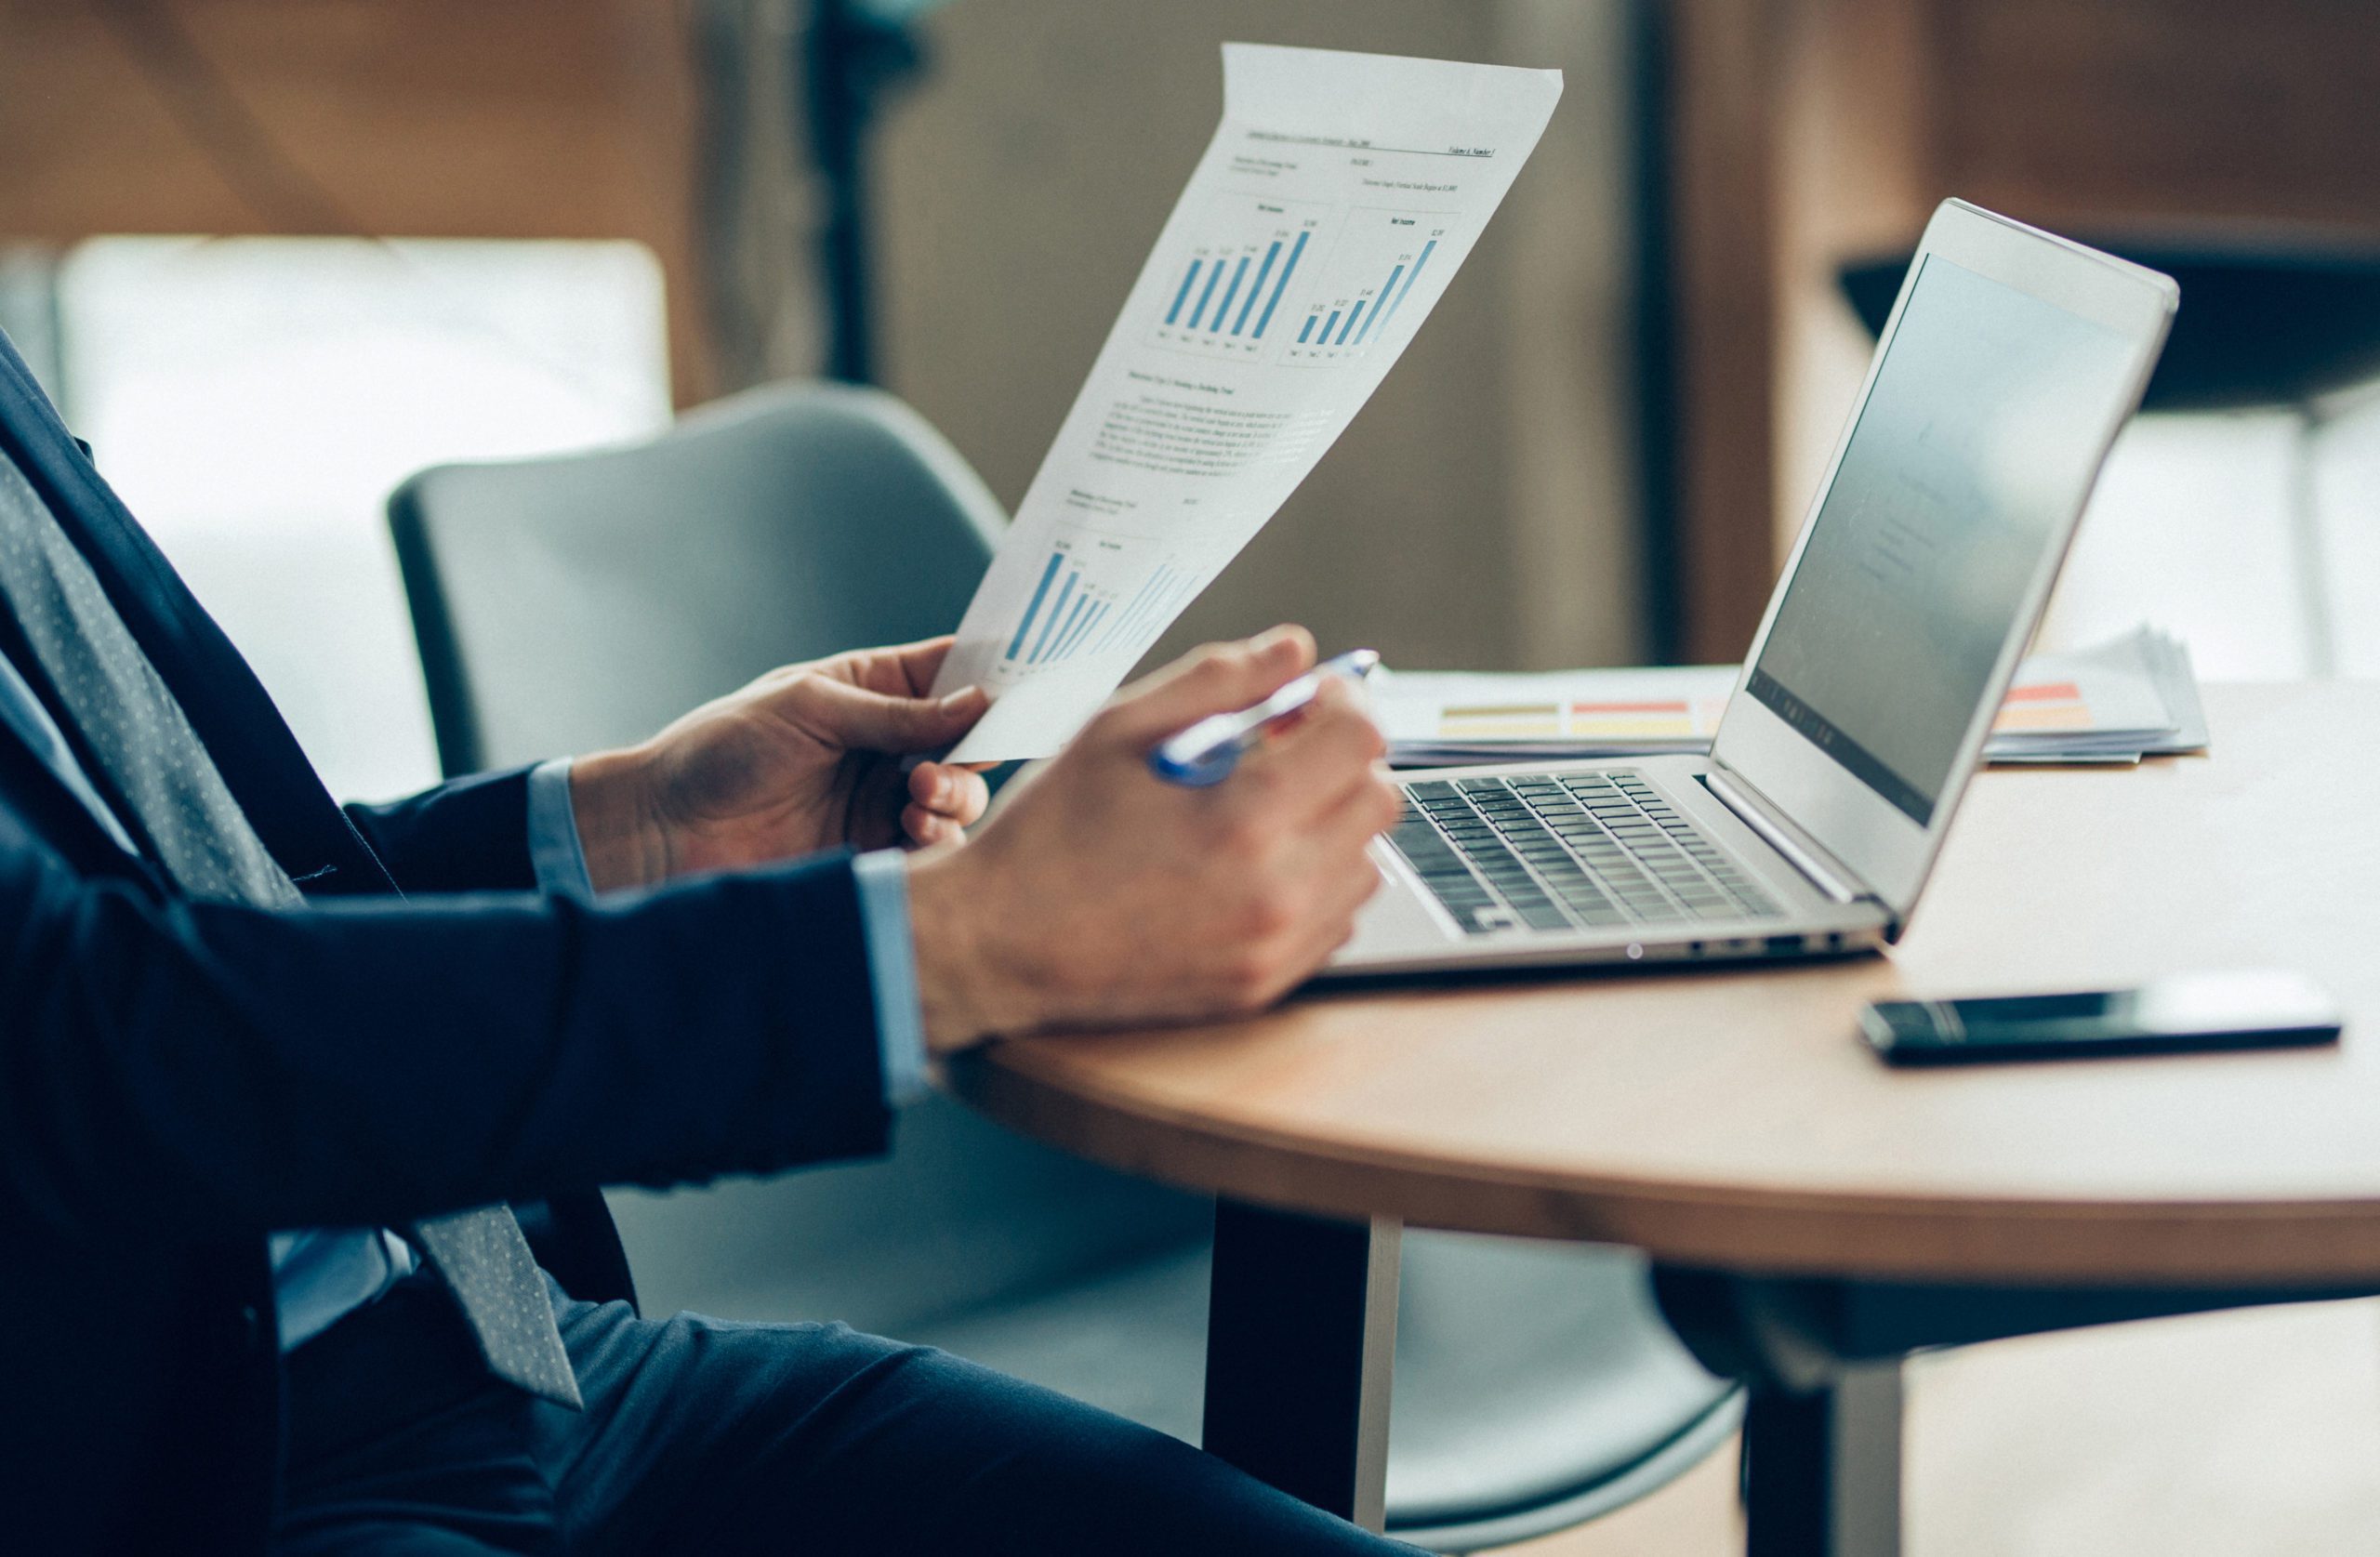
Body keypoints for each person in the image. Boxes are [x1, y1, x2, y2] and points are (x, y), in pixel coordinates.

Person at [0, 318, 1410, 1555]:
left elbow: (167, 906)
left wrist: (628, 834)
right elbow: (86, 1045)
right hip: (209, 1486)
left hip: (512, 1353)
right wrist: (957, 947)